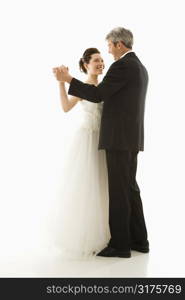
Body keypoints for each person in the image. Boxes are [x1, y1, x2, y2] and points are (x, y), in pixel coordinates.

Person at [53, 27, 149, 258]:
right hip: (130, 138)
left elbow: (97, 95)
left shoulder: (123, 65)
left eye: (108, 46)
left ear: (118, 44)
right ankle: (139, 240)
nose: (107, 52)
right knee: (129, 189)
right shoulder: (140, 67)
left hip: (118, 139)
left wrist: (68, 79)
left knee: (119, 191)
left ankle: (120, 245)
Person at [53, 48, 110, 259]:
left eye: (102, 60)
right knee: (88, 187)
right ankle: (87, 237)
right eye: (96, 60)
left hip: (104, 142)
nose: (101, 63)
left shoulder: (105, 86)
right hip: (87, 140)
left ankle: (106, 235)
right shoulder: (82, 86)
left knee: (103, 186)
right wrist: (61, 83)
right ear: (86, 64)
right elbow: (66, 107)